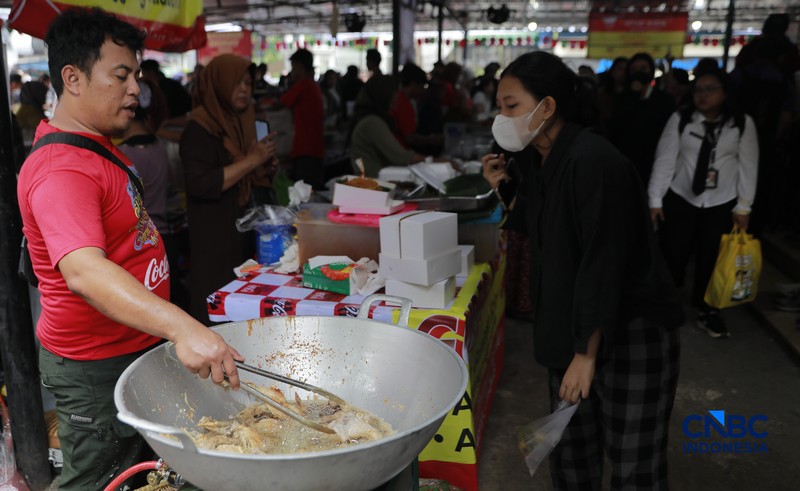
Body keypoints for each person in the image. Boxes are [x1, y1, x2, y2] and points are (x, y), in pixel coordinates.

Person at [16, 9, 243, 490]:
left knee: (145, 475)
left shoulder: (96, 145)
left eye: (136, 75)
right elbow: (84, 272)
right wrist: (183, 327)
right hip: (96, 364)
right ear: (72, 78)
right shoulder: (63, 168)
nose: (135, 89)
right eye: (120, 76)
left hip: (134, 343)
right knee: (99, 481)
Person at [482, 51, 684, 489]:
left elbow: (602, 262)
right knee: (571, 457)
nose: (501, 117)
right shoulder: (541, 160)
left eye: (511, 105)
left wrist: (585, 355)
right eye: (499, 105)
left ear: (547, 106)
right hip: (575, 327)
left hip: (629, 331)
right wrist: (503, 186)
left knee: (634, 465)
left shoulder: (594, 161)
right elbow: (540, 225)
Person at [649, 67, 758, 338]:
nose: (703, 95)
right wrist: (655, 198)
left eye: (711, 89)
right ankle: (666, 307)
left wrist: (743, 206)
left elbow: (748, 166)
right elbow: (665, 159)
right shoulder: (681, 119)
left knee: (712, 256)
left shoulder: (741, 123)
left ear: (725, 93)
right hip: (681, 196)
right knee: (673, 253)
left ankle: (708, 310)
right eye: (698, 89)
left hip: (721, 201)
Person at [180, 54, 279, 323]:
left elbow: (251, 174)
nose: (245, 89)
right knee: (216, 305)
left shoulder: (243, 122)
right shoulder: (198, 130)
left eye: (248, 83)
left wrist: (264, 166)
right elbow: (201, 183)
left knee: (244, 305)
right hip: (214, 236)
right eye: (237, 83)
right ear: (219, 85)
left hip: (243, 233)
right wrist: (252, 160)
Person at [608, 52, 675, 185]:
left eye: (643, 68)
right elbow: (615, 126)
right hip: (625, 162)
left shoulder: (664, 99)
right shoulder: (620, 98)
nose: (638, 72)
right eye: (634, 69)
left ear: (651, 70)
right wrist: (633, 96)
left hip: (655, 160)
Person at [348, 75, 429, 177]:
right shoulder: (373, 123)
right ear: (384, 94)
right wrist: (435, 161)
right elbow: (402, 157)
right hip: (372, 185)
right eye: (394, 92)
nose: (397, 96)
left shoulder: (372, 119)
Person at [276, 49, 325, 189]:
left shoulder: (303, 85)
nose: (292, 71)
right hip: (313, 150)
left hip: (306, 151)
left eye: (293, 67)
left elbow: (281, 104)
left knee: (304, 198)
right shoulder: (312, 85)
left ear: (300, 67)